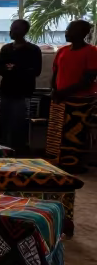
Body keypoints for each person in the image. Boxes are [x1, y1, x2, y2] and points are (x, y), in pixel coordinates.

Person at [46, 20, 97, 173]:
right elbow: (55, 73)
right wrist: (54, 90)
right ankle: (58, 162)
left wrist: (64, 92)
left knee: (76, 134)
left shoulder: (92, 52)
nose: (66, 33)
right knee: (58, 133)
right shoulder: (62, 51)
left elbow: (88, 80)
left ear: (82, 33)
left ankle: (74, 165)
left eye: (70, 30)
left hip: (80, 102)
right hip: (61, 99)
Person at [0, 19, 42, 154]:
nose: (12, 31)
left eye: (16, 29)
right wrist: (9, 69)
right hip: (6, 91)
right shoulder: (6, 49)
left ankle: (18, 152)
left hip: (22, 93)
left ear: (24, 31)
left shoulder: (33, 50)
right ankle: (1, 151)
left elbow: (36, 71)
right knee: (3, 123)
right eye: (11, 28)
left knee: (18, 124)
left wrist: (15, 69)